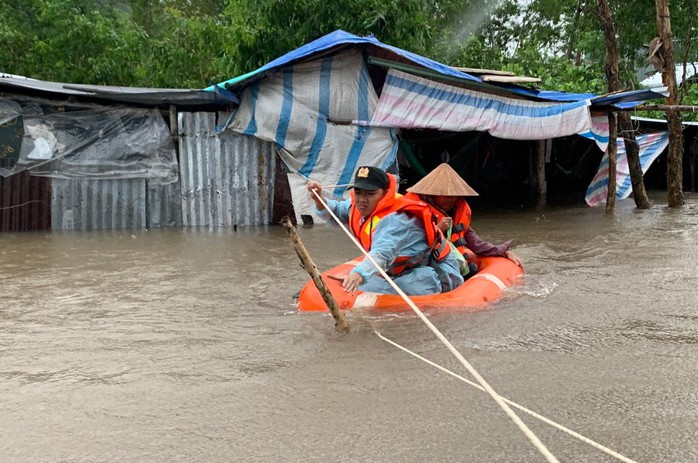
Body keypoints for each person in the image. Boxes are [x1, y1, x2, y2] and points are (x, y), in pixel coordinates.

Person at [307, 166, 464, 296]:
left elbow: (383, 253)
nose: (362, 199)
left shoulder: (398, 220)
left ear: (384, 193)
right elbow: (336, 210)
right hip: (397, 269)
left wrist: (359, 274)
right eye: (358, 192)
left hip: (431, 270)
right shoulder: (356, 205)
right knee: (366, 286)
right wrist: (318, 198)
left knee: (406, 286)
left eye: (370, 194)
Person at [404, 163, 524, 272]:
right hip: (425, 266)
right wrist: (437, 230)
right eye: (446, 196)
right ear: (432, 194)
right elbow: (408, 246)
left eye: (454, 196)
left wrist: (503, 252)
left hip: (452, 264)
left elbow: (476, 243)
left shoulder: (456, 212)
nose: (450, 200)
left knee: (471, 269)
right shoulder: (413, 213)